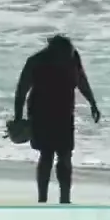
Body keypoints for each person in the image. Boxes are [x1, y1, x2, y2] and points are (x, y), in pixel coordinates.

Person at [12, 34, 100, 204]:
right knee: (46, 155)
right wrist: (18, 118)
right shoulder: (36, 61)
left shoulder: (72, 57)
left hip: (64, 114)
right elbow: (21, 90)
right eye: (63, 55)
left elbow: (82, 81)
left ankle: (65, 199)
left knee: (65, 155)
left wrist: (92, 103)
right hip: (40, 114)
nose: (66, 59)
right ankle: (42, 199)